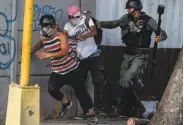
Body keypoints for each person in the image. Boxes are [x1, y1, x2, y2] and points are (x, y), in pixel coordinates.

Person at [99, 0, 167, 117]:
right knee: (123, 83)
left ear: (136, 8)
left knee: (126, 80)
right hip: (127, 53)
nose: (128, 10)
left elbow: (162, 33)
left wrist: (160, 37)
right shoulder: (126, 18)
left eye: (129, 8)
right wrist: (98, 23)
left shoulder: (148, 20)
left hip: (140, 55)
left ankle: (119, 108)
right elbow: (114, 24)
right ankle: (139, 107)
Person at [31, 14, 96, 119]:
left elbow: (64, 51)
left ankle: (91, 112)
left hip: (72, 69)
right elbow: (41, 43)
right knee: (52, 89)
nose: (44, 29)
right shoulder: (43, 36)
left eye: (46, 26)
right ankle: (66, 102)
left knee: (80, 91)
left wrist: (49, 54)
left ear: (52, 26)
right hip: (58, 70)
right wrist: (30, 51)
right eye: (43, 26)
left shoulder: (61, 35)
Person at [63, 5, 104, 117]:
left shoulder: (86, 19)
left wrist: (84, 35)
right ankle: (88, 110)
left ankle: (99, 106)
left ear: (79, 15)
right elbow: (64, 36)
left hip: (93, 55)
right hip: (81, 59)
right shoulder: (68, 25)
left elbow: (94, 31)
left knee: (98, 81)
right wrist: (72, 38)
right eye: (70, 17)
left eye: (74, 17)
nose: (72, 19)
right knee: (78, 85)